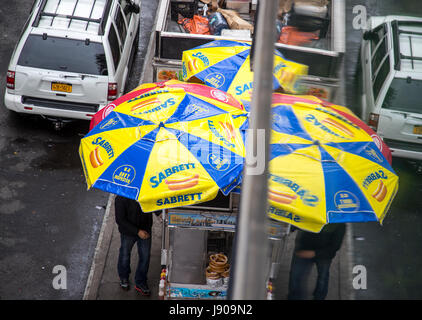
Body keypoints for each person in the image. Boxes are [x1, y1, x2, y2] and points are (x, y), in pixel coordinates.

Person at [287, 223, 346, 300]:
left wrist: (313, 253)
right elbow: (295, 223)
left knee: (322, 279)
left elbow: (334, 247)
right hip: (304, 248)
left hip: (322, 254)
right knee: (296, 277)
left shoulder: (338, 224)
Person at [115, 195, 154, 296]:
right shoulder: (121, 198)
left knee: (145, 257)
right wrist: (137, 231)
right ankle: (124, 277)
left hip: (145, 230)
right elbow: (120, 220)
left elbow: (153, 204)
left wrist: (160, 213)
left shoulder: (147, 192)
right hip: (128, 233)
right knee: (124, 255)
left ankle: (141, 282)